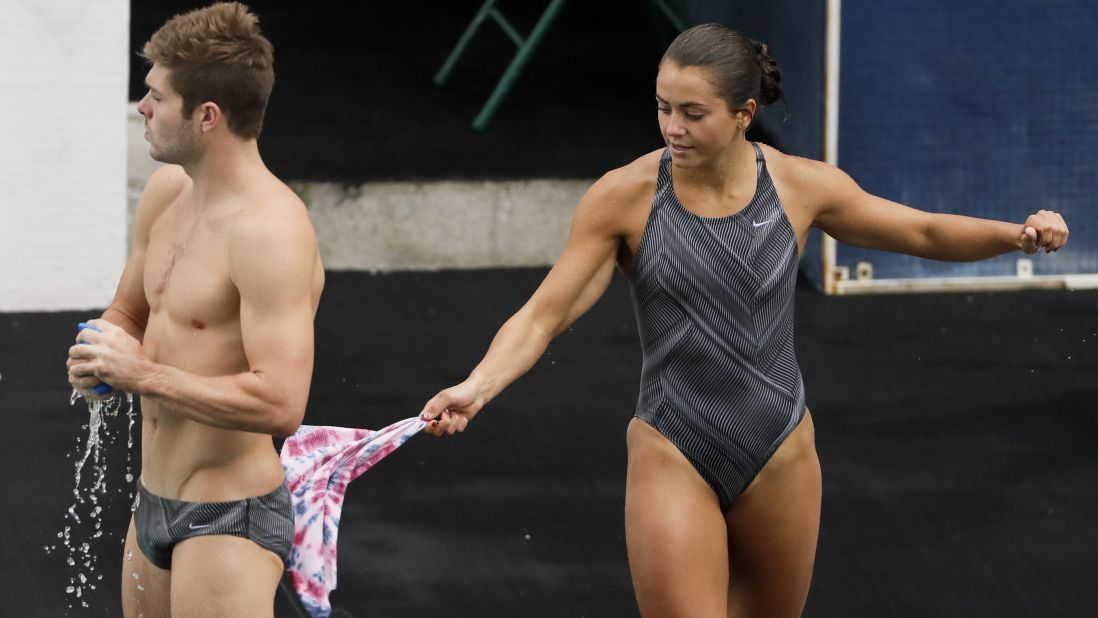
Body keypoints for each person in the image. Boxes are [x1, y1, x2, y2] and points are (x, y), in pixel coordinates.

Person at [419, 23, 1069, 618]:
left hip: (781, 451)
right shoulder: (623, 198)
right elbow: (542, 316)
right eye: (662, 107)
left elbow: (922, 231)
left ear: (743, 114)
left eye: (692, 113)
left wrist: (1016, 236)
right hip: (673, 449)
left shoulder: (799, 187)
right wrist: (476, 387)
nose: (671, 127)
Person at [65, 3, 324, 616]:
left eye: (156, 96)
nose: (142, 108)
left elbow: (281, 403)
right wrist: (100, 353)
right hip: (153, 501)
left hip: (229, 514)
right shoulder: (167, 194)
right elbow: (129, 313)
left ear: (206, 116)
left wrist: (141, 375)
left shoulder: (269, 231)